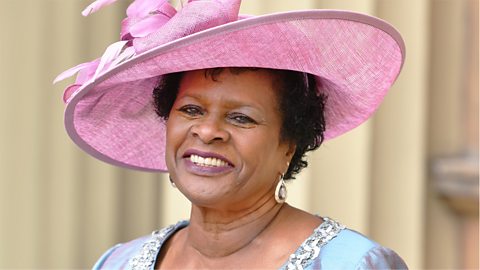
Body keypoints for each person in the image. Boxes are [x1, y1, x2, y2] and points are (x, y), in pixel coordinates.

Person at [54, 0, 408, 269]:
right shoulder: (118, 262)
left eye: (241, 118)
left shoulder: (351, 263)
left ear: (290, 142)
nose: (207, 132)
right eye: (191, 110)